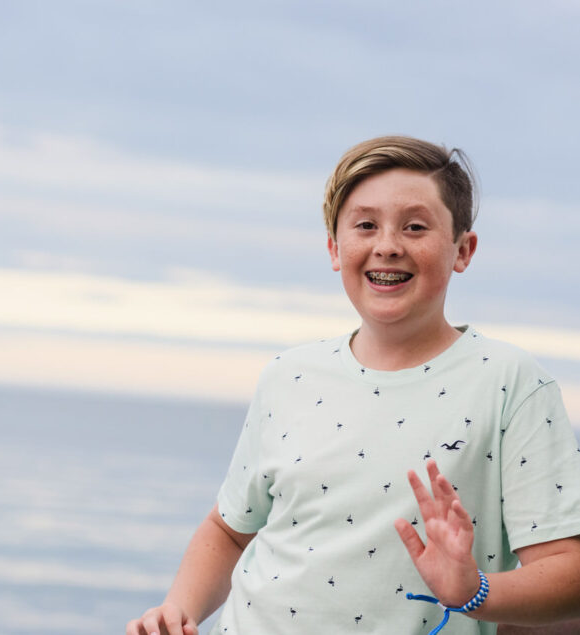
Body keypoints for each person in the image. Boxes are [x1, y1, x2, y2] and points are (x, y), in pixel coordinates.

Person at [126, 136, 580, 635]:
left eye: (415, 226)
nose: (387, 244)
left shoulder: (510, 382)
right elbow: (229, 530)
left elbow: (566, 569)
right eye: (365, 225)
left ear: (462, 250)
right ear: (335, 249)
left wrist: (474, 590)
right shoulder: (288, 376)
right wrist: (178, 609)